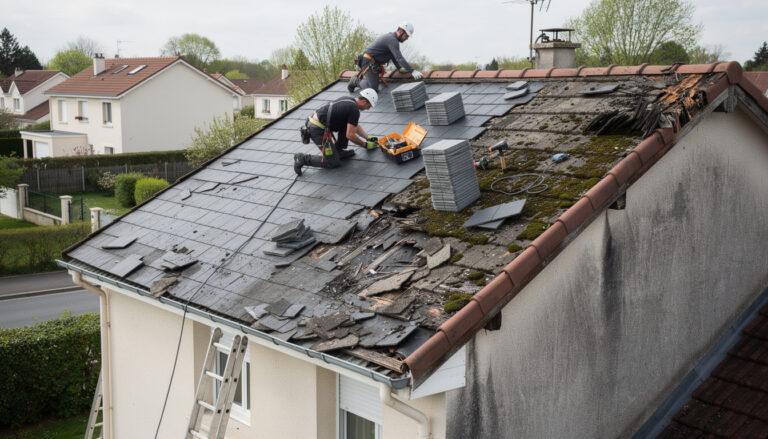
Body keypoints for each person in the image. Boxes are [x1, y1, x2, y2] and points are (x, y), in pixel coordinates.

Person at [294, 88, 379, 176]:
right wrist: (364, 145)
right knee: (332, 162)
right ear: (364, 102)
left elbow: (354, 125)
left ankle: (338, 151)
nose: (368, 109)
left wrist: (367, 137)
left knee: (347, 125)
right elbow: (350, 135)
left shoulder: (350, 101)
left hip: (316, 123)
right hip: (316, 129)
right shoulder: (354, 109)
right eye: (369, 106)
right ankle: (302, 158)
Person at [347, 22, 423, 93]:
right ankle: (356, 81)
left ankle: (367, 79)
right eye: (406, 36)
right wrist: (412, 71)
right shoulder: (392, 40)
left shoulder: (393, 39)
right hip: (367, 61)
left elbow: (393, 55)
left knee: (375, 84)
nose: (407, 38)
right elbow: (399, 58)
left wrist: (399, 68)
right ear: (400, 31)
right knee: (373, 88)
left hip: (373, 63)